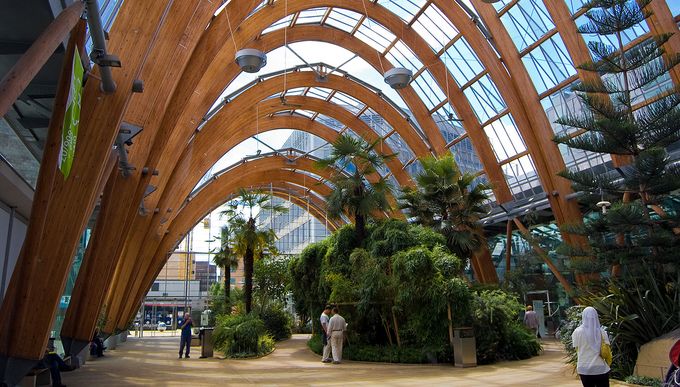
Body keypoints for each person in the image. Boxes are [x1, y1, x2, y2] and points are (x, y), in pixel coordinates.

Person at [571, 307, 610, 387]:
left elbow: (576, 348)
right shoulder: (602, 332)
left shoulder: (577, 332)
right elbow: (607, 349)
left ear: (583, 316)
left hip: (584, 368)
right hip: (600, 368)